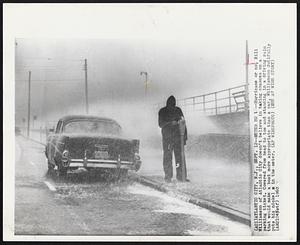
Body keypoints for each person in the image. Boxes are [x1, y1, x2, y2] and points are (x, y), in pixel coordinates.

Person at [158, 95, 189, 183]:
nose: (172, 106)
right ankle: (168, 176)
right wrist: (170, 123)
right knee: (168, 157)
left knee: (180, 158)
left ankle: (181, 176)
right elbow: (160, 124)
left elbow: (183, 123)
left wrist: (185, 137)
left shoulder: (178, 110)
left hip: (178, 138)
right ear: (167, 104)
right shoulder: (162, 111)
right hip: (167, 138)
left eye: (173, 104)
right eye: (171, 104)